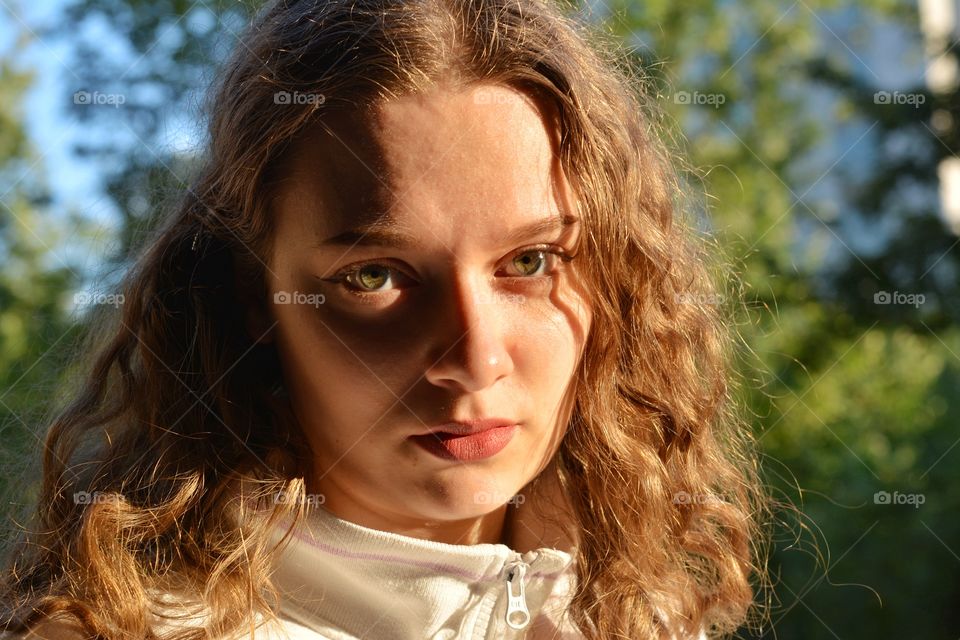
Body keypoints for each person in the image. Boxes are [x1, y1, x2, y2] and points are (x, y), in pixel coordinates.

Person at [0, 0, 770, 638]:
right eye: (375, 276)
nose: (475, 359)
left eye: (531, 262)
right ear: (251, 297)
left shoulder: (642, 617)